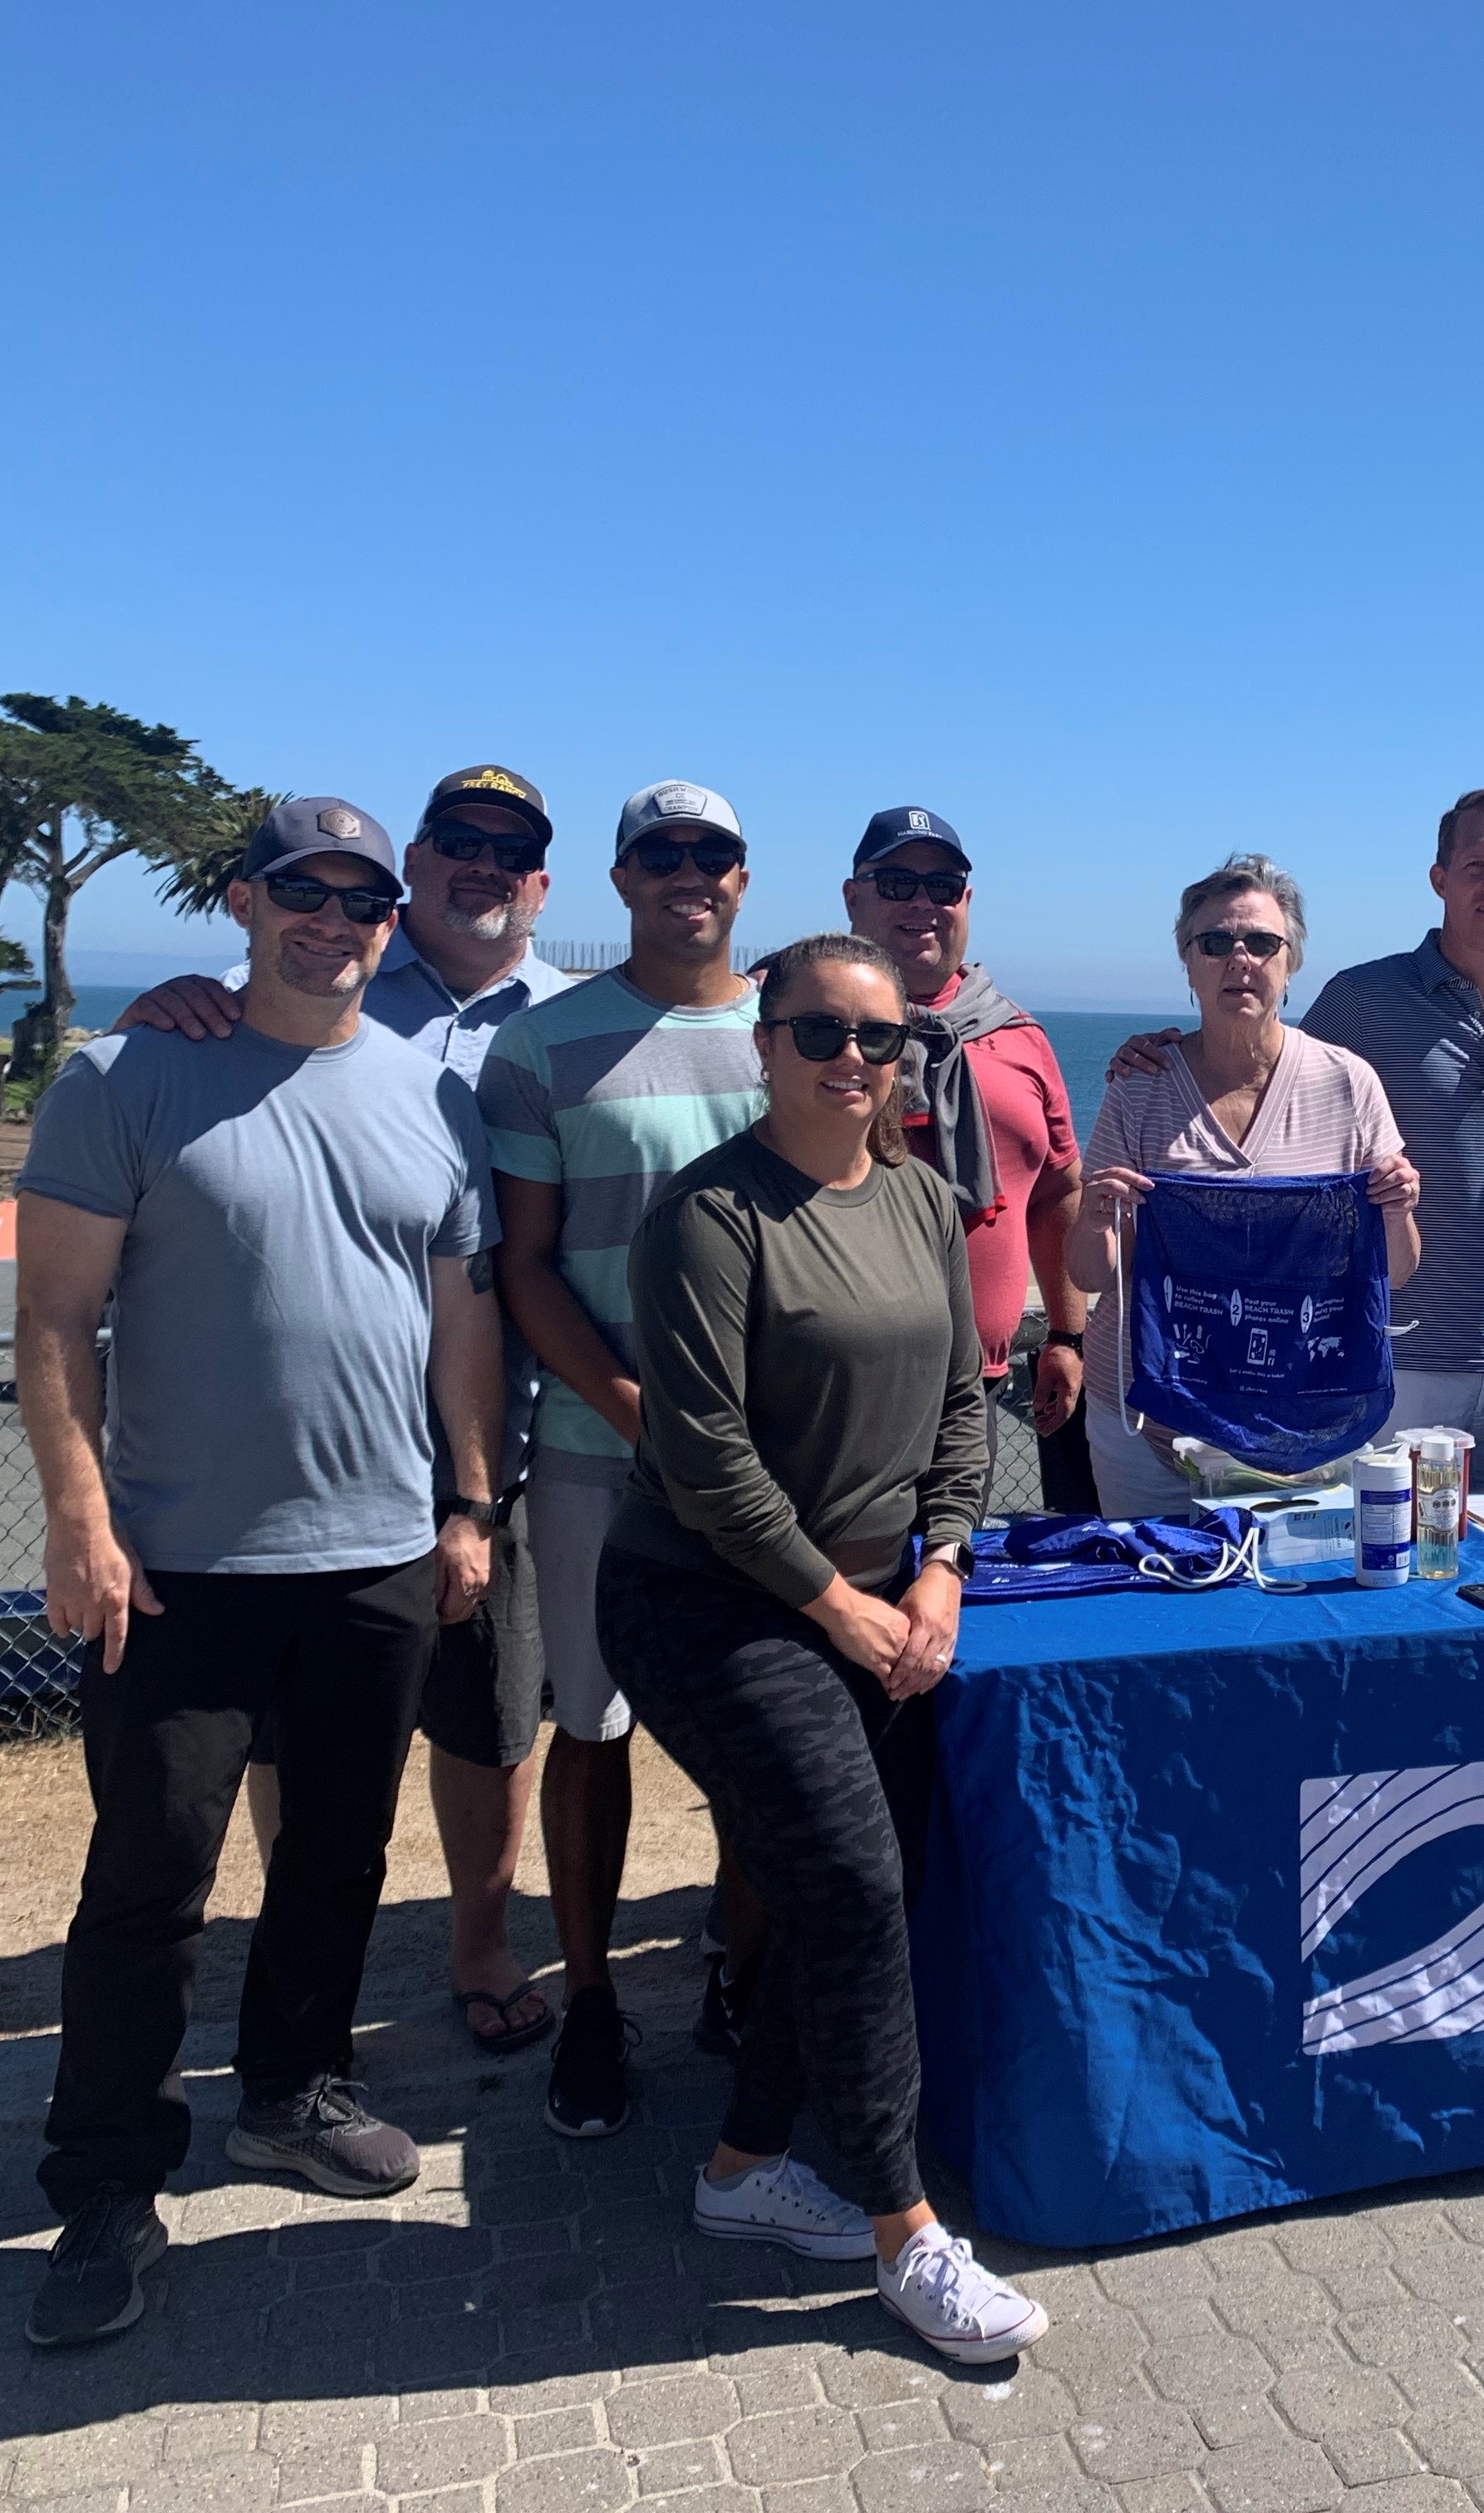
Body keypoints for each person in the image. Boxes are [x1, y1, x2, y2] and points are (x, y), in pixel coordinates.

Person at [12, 797, 502, 2349]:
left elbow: (460, 1319)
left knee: (339, 1851)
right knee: (149, 1879)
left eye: (363, 899)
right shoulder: (131, 1071)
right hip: (176, 1562)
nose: (337, 919)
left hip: (376, 1551)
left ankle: (289, 2091)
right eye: (306, 890)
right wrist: (77, 1516)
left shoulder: (430, 1093)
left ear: (390, 920)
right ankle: (105, 2183)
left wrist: (469, 1498)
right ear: (245, 900)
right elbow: (50, 1323)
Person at [589, 931, 1047, 2361]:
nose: (853, 1060)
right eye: (821, 1034)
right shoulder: (709, 1213)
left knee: (843, 1881)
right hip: (706, 1600)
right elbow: (703, 1452)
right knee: (853, 1883)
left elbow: (966, 1401)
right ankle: (902, 2229)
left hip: (883, 1599)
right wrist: (838, 1603)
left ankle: (739, 2172)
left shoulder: (921, 1196)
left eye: (881, 1039)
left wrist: (947, 1567)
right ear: (764, 1043)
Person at [114, 764, 572, 2052]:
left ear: (542, 881)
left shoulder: (578, 1018)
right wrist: (179, 1004)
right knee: (281, 1738)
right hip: (301, 1458)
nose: (486, 866)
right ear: (413, 868)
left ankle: (481, 1950)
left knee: (492, 1716)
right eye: (461, 843)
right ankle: (304, 1970)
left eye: (515, 851)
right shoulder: (297, 989)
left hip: (503, 1434)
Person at [476, 779, 767, 2138]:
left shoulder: (796, 1032)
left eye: (710, 853)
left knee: (763, 1735)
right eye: (661, 853)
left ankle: (738, 1972)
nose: (686, 873)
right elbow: (524, 1268)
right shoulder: (539, 1049)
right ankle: (590, 2000)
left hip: (774, 1465)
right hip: (602, 1452)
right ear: (620, 875)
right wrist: (639, 1405)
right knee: (590, 1728)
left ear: (743, 877)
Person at [1071, 856, 1422, 1517]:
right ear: (1188, 961)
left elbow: (1395, 1273)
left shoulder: (1350, 1084)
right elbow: (1092, 1273)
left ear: (1290, 963)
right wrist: (1094, 1222)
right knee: (1157, 1605)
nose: (1240, 959)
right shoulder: (1139, 1086)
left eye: (1262, 942)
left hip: (1301, 1428)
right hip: (1147, 1422)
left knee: (1287, 1612)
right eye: (1216, 942)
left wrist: (1398, 1210)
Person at [1300, 785, 1484, 1488]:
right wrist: (1173, 1049)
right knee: (1384, 1567)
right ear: (1439, 879)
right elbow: (1272, 1092)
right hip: (1396, 1351)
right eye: (1477, 866)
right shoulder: (1360, 999)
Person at [843, 806, 1093, 1511]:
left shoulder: (1018, 1034)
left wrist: (1066, 1335)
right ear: (853, 896)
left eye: (943, 886)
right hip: (830, 1388)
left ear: (966, 904)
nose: (922, 903)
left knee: (947, 1591)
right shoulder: (801, 1025)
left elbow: (1055, 1194)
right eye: (896, 882)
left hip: (972, 1390)